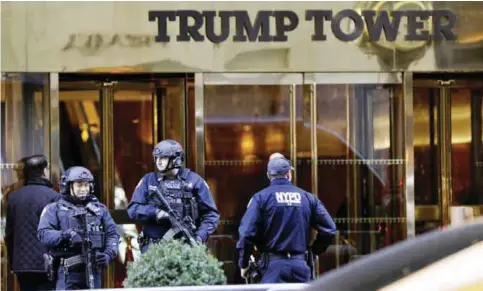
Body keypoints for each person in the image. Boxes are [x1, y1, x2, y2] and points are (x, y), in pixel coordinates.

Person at [237, 155, 337, 283]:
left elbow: (246, 234)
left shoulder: (260, 198)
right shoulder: (307, 197)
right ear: (289, 174)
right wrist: (315, 251)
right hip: (300, 267)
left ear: (269, 176)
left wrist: (244, 263)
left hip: (272, 268)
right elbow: (329, 229)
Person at [127, 139, 220, 253]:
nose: (159, 162)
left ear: (176, 160)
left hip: (186, 248)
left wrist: (199, 237)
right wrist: (156, 213)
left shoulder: (195, 181)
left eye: (164, 158)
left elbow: (211, 215)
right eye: (157, 157)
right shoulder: (149, 180)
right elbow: (133, 209)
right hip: (154, 249)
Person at [37, 166, 120, 290]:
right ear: (68, 186)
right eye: (79, 185)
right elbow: (43, 234)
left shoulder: (99, 210)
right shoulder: (54, 209)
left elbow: (113, 234)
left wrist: (108, 254)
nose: (83, 189)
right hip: (67, 273)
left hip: (94, 271)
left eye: (86, 185)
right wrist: (67, 235)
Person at [5, 155, 60, 291]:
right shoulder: (53, 197)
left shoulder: (14, 198)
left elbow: (9, 235)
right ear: (44, 172)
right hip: (47, 264)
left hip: (23, 265)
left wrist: (13, 262)